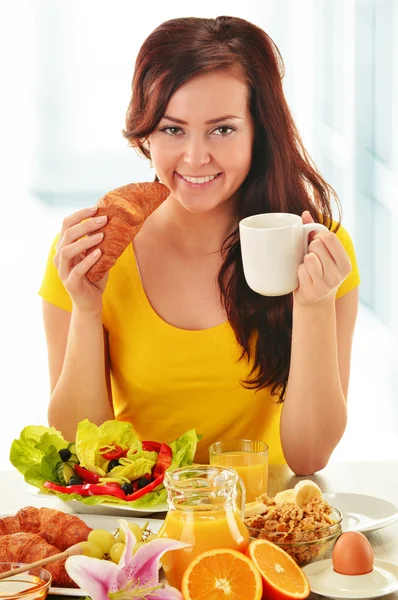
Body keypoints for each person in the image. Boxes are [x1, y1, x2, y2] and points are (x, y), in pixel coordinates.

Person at [39, 15, 360, 475]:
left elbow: (309, 458)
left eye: (222, 129)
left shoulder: (318, 250)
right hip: (137, 528)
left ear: (259, 133)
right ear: (146, 133)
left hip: (259, 528)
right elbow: (79, 451)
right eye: (173, 129)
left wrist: (313, 304)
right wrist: (87, 310)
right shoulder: (89, 251)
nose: (195, 157)